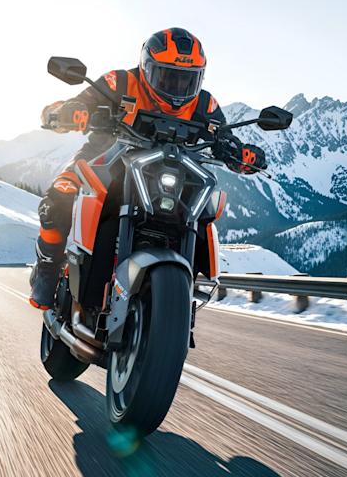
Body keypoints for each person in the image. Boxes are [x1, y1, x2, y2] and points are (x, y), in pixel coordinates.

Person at [29, 27, 267, 309]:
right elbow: (77, 103)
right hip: (105, 157)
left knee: (204, 213)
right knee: (58, 200)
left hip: (173, 170)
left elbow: (224, 136)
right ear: (146, 68)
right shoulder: (119, 82)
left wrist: (242, 154)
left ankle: (182, 291)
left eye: (186, 80)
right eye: (168, 76)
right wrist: (69, 112)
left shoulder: (204, 102)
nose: (177, 87)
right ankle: (48, 269)